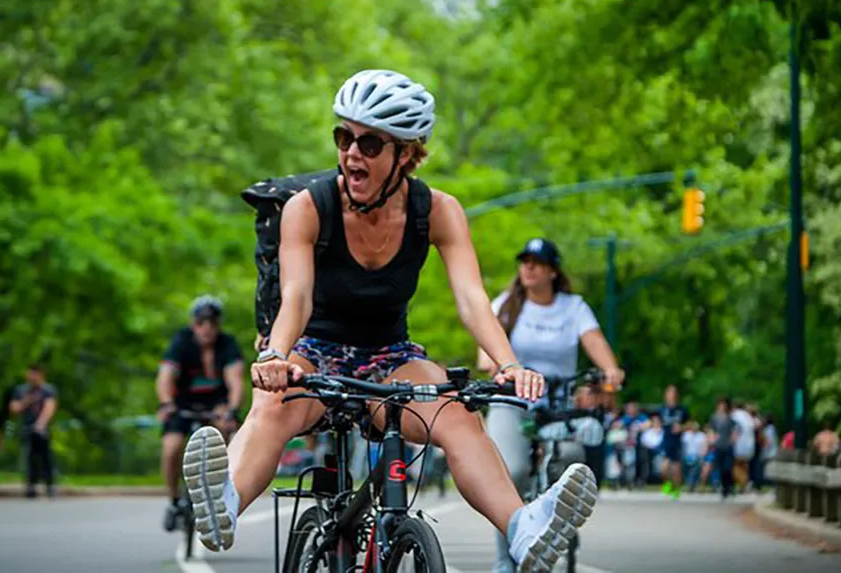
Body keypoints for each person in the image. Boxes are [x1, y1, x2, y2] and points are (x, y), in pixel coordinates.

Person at [181, 69, 598, 572]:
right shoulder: (307, 208)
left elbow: (470, 298)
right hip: (316, 351)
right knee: (274, 403)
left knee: (460, 415)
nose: (352, 152)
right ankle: (224, 501)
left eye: (370, 143)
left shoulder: (437, 211)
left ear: (406, 153)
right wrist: (274, 354)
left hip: (390, 357)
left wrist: (508, 364)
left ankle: (523, 528)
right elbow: (297, 296)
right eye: (344, 137)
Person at [476, 238, 624, 572]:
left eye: (537, 263)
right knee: (511, 472)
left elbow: (595, 342)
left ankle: (557, 524)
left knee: (572, 461)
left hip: (558, 403)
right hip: (511, 399)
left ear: (553, 272)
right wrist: (490, 362)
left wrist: (610, 370)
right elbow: (486, 347)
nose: (528, 268)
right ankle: (504, 562)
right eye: (524, 261)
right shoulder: (507, 304)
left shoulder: (574, 308)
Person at [156, 295, 244, 531]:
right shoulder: (181, 341)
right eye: (201, 323)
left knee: (223, 435)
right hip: (182, 404)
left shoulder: (227, 344)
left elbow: (235, 382)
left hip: (216, 405)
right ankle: (174, 500)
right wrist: (165, 403)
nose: (207, 328)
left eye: (212, 323)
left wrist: (232, 409)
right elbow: (165, 376)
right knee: (172, 448)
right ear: (193, 323)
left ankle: (213, 494)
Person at [10, 364, 58, 498]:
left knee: (46, 458)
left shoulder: (48, 390)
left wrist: (41, 424)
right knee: (30, 458)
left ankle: (50, 485)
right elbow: (14, 408)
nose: (31, 377)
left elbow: (50, 407)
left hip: (43, 430)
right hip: (27, 428)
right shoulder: (21, 390)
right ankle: (31, 486)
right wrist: (26, 402)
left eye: (34, 374)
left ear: (41, 375)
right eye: (29, 373)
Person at [658, 385, 689, 498]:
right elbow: (657, 422)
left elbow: (691, 424)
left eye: (673, 393)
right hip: (666, 441)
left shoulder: (682, 410)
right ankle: (668, 483)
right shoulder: (662, 409)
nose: (671, 395)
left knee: (676, 468)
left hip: (677, 441)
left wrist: (681, 427)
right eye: (669, 393)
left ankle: (677, 489)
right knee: (663, 468)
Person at [709, 397, 736, 498]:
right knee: (720, 468)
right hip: (718, 445)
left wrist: (732, 440)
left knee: (728, 467)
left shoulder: (730, 419)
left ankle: (729, 486)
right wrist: (712, 440)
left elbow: (734, 431)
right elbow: (711, 430)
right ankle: (724, 487)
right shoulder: (714, 418)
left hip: (727, 446)